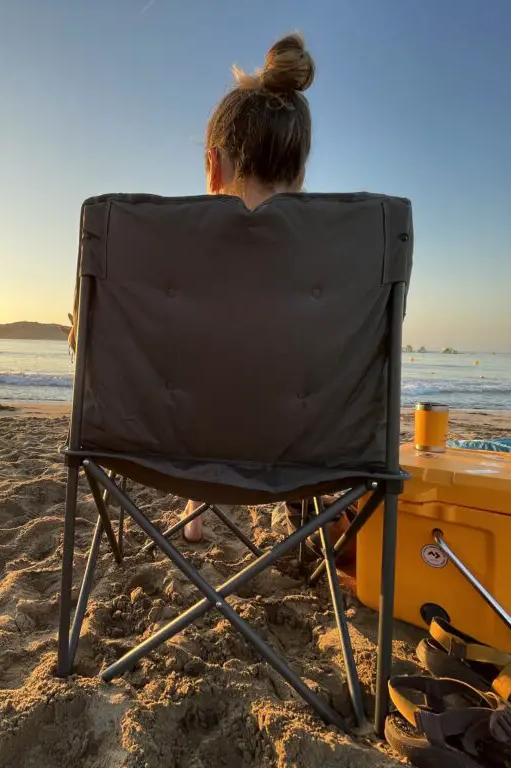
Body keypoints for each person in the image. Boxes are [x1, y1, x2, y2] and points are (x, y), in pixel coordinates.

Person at [182, 32, 316, 542]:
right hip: (304, 447)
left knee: (206, 373)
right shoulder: (340, 254)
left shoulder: (168, 248)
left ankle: (195, 500)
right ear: (301, 173)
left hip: (179, 442)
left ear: (214, 166)